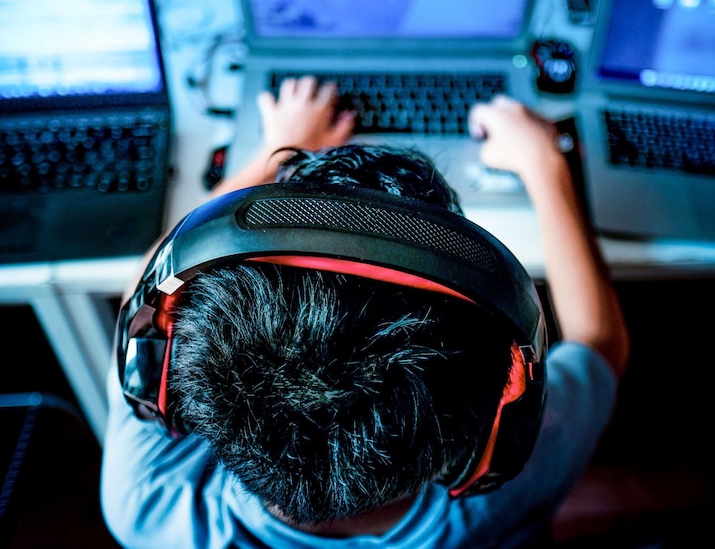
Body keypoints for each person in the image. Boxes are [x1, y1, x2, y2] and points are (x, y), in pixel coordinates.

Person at [100, 76, 630, 548]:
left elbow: (139, 297)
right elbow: (599, 342)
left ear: (166, 378)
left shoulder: (149, 510)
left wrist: (276, 152)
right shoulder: (514, 485)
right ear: (492, 434)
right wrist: (546, 165)